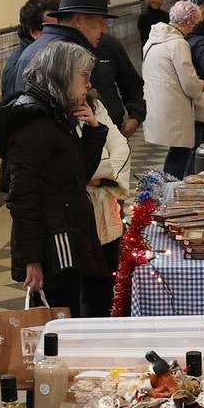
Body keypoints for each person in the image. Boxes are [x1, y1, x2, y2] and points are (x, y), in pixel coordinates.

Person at [0, 41, 111, 317]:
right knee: (61, 318)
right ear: (62, 75)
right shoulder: (34, 127)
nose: (89, 85)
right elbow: (22, 198)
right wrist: (32, 260)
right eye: (84, 77)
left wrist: (93, 130)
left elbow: (78, 175)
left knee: (73, 311)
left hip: (67, 232)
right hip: (54, 243)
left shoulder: (57, 116)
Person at [13, 0, 145, 139]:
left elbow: (132, 84)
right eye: (100, 22)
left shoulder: (96, 46)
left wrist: (134, 116)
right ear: (78, 21)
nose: (105, 30)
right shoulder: (46, 55)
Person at [142, 0, 204, 179]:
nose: (192, 30)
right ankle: (171, 191)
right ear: (186, 22)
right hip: (176, 108)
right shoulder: (178, 43)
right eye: (193, 25)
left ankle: (167, 187)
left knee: (176, 152)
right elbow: (189, 84)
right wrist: (203, 85)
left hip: (160, 104)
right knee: (181, 154)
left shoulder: (153, 40)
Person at [85, 95, 131, 316]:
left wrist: (104, 177)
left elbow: (119, 145)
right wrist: (102, 173)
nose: (89, 82)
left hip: (108, 216)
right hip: (82, 218)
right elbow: (83, 167)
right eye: (83, 75)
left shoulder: (94, 104)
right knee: (87, 295)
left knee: (105, 289)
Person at [1, 0, 58, 97]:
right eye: (51, 29)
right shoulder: (24, 63)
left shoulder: (47, 55)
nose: (57, 34)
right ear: (34, 32)